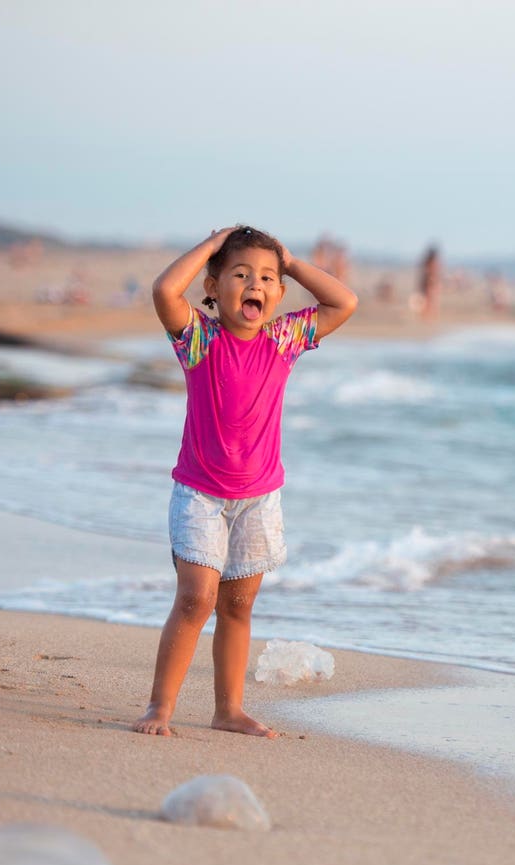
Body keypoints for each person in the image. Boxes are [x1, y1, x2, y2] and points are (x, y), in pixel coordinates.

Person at [133, 225, 358, 738]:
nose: (253, 283)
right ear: (213, 287)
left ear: (278, 294)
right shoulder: (198, 338)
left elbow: (344, 301)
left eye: (265, 278)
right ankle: (159, 707)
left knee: (238, 605)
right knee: (196, 599)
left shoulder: (283, 340)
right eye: (238, 274)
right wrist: (210, 247)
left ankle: (227, 710)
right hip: (199, 495)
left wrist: (293, 263)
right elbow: (164, 291)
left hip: (259, 498)